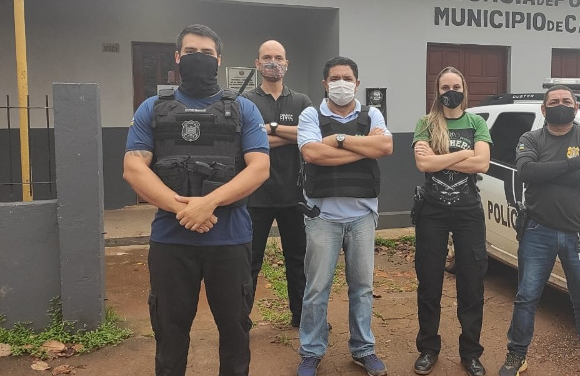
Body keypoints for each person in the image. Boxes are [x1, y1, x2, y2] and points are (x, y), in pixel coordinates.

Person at [123, 24, 270, 376]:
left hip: (229, 239)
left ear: (218, 60)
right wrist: (185, 208)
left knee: (235, 331)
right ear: (177, 57)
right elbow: (133, 168)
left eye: (206, 53)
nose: (198, 58)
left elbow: (259, 168)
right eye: (190, 52)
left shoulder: (244, 109)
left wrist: (210, 202)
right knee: (169, 333)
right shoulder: (152, 109)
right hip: (171, 240)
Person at [499, 85, 580, 376]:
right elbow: (527, 172)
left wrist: (547, 172)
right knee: (527, 297)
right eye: (553, 102)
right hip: (538, 231)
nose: (560, 105)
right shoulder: (531, 138)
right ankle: (516, 355)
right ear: (543, 109)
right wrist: (575, 163)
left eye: (565, 101)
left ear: (575, 107)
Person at [295, 56, 393, 376]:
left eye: (347, 78)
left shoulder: (371, 114)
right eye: (335, 78)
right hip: (322, 216)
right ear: (325, 83)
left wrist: (338, 141)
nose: (341, 83)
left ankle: (363, 349)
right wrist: (363, 148)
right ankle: (311, 351)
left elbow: (385, 147)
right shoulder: (311, 114)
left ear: (357, 83)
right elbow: (311, 153)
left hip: (362, 216)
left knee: (362, 287)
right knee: (316, 288)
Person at [411, 67, 492, 376]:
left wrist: (440, 157)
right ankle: (428, 349)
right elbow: (423, 163)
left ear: (464, 88)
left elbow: (482, 163)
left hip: (468, 212)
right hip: (431, 211)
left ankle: (470, 353)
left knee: (471, 284)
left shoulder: (476, 122)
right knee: (429, 282)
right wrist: (463, 154)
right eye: (445, 87)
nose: (451, 91)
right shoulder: (426, 123)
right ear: (438, 91)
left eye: (455, 86)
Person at [242, 40, 312, 326]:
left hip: (294, 195)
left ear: (287, 63)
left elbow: (309, 136)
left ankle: (302, 316)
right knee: (249, 261)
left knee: (299, 260)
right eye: (267, 57)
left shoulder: (301, 101)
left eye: (279, 57)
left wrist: (268, 130)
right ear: (257, 64)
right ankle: (241, 319)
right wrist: (290, 135)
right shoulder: (245, 101)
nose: (274, 62)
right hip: (255, 195)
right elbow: (244, 141)